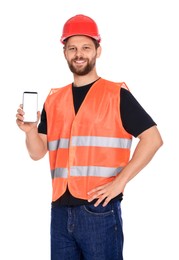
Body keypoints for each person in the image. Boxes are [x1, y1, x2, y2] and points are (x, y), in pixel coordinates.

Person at [16, 14, 163, 260]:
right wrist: (31, 131)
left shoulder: (116, 94)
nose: (79, 53)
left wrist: (120, 182)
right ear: (64, 53)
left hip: (99, 209)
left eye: (86, 47)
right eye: (72, 48)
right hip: (60, 210)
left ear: (98, 50)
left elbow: (153, 138)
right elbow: (37, 152)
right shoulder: (54, 99)